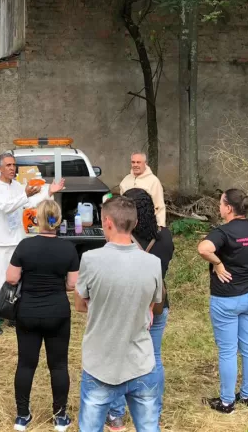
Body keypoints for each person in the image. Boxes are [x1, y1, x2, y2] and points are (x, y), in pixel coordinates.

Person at [74, 196, 163, 432]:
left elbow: (80, 304)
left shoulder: (90, 259)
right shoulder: (153, 263)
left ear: (107, 222)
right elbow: (154, 305)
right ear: (135, 223)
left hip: (100, 364)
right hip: (141, 362)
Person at [6, 200, 79, 431]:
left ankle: (22, 416)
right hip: (57, 312)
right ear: (58, 220)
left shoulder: (25, 246)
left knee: (26, 365)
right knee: (58, 366)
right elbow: (72, 284)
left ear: (37, 219)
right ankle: (60, 417)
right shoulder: (68, 248)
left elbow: (11, 278)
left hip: (27, 311)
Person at [106, 188, 175, 431]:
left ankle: (116, 413)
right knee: (154, 357)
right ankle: (153, 412)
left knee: (119, 356)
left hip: (126, 305)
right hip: (157, 303)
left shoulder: (120, 240)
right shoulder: (165, 237)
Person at [197, 189, 248, 414]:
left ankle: (227, 402)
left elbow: (203, 248)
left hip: (227, 299)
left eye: (221, 203)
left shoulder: (223, 232)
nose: (219, 207)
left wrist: (218, 264)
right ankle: (247, 396)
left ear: (228, 208)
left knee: (228, 351)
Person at [0, 152, 64, 335]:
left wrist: (49, 192)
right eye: (8, 165)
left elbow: (28, 203)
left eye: (14, 165)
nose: (12, 168)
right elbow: (6, 207)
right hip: (2, 240)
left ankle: (12, 314)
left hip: (18, 238)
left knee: (18, 278)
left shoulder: (16, 185)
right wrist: (25, 194)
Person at [119, 152, 166, 228]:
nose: (135, 165)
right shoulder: (125, 181)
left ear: (145, 163)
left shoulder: (154, 181)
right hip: (128, 224)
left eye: (138, 162)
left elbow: (159, 206)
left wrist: (160, 226)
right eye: (133, 162)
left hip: (146, 224)